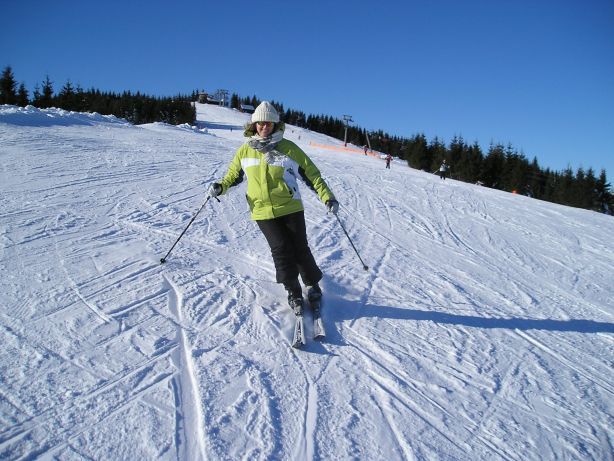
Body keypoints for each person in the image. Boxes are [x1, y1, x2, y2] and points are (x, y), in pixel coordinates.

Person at [208, 101, 339, 315]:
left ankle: (312, 285)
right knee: (280, 249)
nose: (264, 127)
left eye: (268, 123)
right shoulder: (245, 151)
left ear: (275, 124)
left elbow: (311, 174)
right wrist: (220, 187)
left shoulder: (288, 148)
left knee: (300, 247)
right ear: (254, 125)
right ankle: (293, 290)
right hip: (262, 211)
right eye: (260, 123)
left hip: (290, 207)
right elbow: (233, 175)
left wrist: (328, 197)